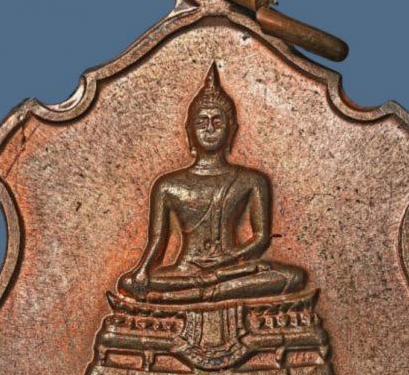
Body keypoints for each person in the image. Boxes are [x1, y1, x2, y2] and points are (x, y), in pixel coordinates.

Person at [119, 63, 306, 304]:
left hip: (231, 270)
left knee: (294, 277)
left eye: (217, 123)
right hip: (186, 270)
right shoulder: (168, 185)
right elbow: (157, 240)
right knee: (128, 282)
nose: (209, 129)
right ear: (189, 131)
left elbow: (260, 238)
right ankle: (198, 289)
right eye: (201, 123)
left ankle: (194, 294)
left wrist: (228, 260)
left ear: (232, 130)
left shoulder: (251, 180)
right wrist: (143, 270)